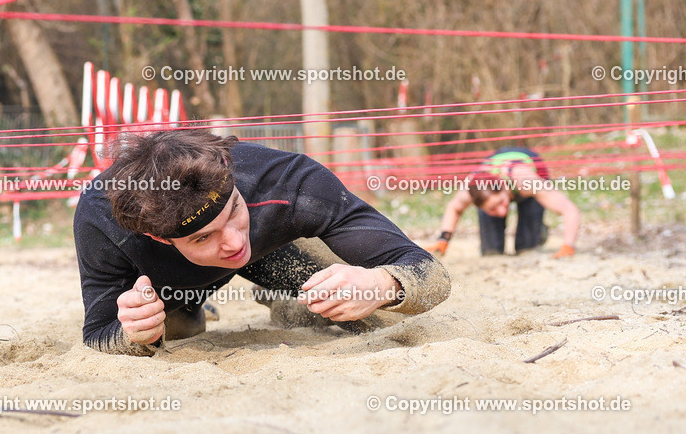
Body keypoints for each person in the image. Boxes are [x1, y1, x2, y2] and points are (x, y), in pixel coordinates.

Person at [73, 129, 451, 356]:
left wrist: (383, 285)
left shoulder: (289, 181)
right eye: (203, 236)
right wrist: (131, 333)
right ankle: (189, 308)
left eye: (234, 209)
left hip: (276, 251)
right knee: (169, 335)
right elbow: (98, 334)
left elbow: (430, 273)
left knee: (378, 314)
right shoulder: (100, 221)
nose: (234, 242)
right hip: (168, 285)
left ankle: (291, 304)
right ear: (157, 236)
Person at [427, 146, 579, 258]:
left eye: (502, 203)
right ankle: (491, 215)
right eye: (493, 208)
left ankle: (538, 232)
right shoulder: (470, 189)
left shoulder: (527, 181)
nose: (502, 211)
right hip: (496, 167)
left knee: (527, 248)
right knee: (491, 252)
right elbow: (454, 208)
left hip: (528, 175)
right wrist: (443, 241)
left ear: (504, 186)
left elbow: (569, 210)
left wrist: (568, 245)